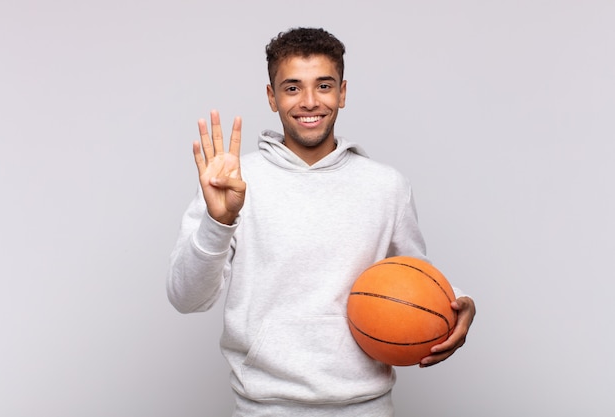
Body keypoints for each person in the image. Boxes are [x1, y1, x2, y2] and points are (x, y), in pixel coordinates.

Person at [167, 27, 476, 417]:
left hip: (367, 408)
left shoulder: (386, 186)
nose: (309, 102)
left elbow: (413, 278)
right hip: (264, 409)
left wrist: (460, 302)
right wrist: (218, 221)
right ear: (272, 97)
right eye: (292, 88)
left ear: (342, 93)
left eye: (324, 85)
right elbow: (185, 298)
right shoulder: (231, 182)